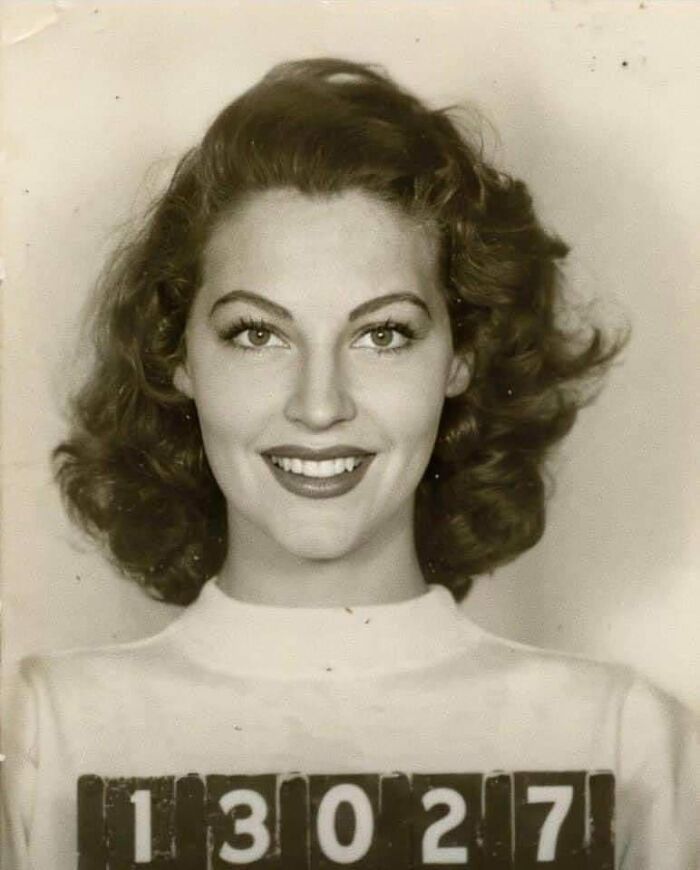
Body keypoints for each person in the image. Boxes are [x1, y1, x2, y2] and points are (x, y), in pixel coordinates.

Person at [2, 58, 697, 870]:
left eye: (384, 333)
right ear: (177, 354)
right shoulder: (48, 737)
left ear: (461, 356)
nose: (320, 404)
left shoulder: (620, 742)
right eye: (257, 333)